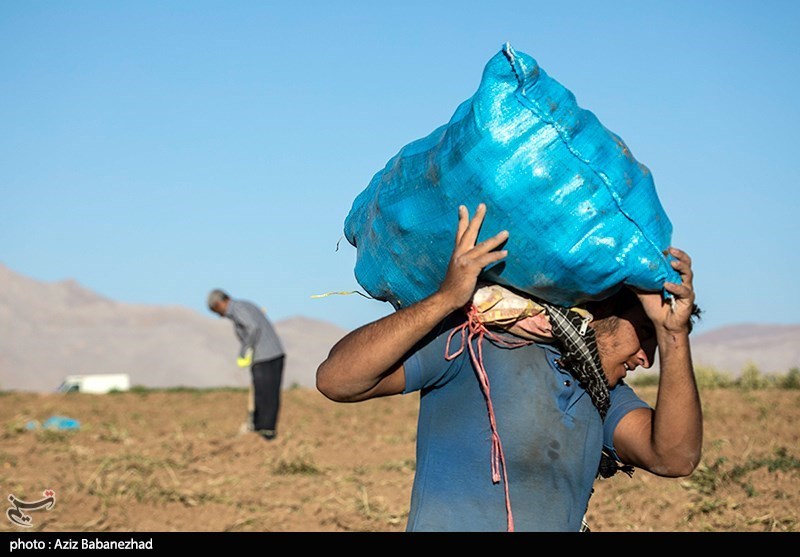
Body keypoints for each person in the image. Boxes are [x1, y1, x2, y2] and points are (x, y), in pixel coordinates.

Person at [316, 203, 702, 532]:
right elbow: (336, 380)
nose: (646, 360)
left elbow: (674, 458)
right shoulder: (470, 343)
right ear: (604, 310)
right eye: (645, 336)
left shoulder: (604, 395)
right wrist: (445, 300)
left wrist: (672, 335)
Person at [208, 289, 285, 441]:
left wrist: (245, 350)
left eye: (216, 310)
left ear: (220, 303)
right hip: (266, 355)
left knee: (266, 394)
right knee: (261, 393)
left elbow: (253, 327)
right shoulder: (241, 307)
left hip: (266, 356)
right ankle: (259, 429)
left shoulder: (238, 308)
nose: (219, 315)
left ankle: (265, 432)